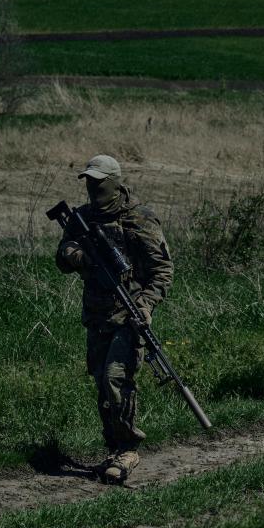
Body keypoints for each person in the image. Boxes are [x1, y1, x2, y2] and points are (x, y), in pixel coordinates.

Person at [55, 155, 173, 482]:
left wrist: (147, 305)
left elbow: (163, 271)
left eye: (99, 182)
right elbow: (62, 257)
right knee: (101, 384)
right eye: (88, 182)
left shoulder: (140, 219)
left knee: (115, 378)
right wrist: (83, 257)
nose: (93, 188)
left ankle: (128, 448)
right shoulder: (81, 217)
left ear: (115, 182)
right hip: (96, 314)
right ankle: (114, 446)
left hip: (130, 314)